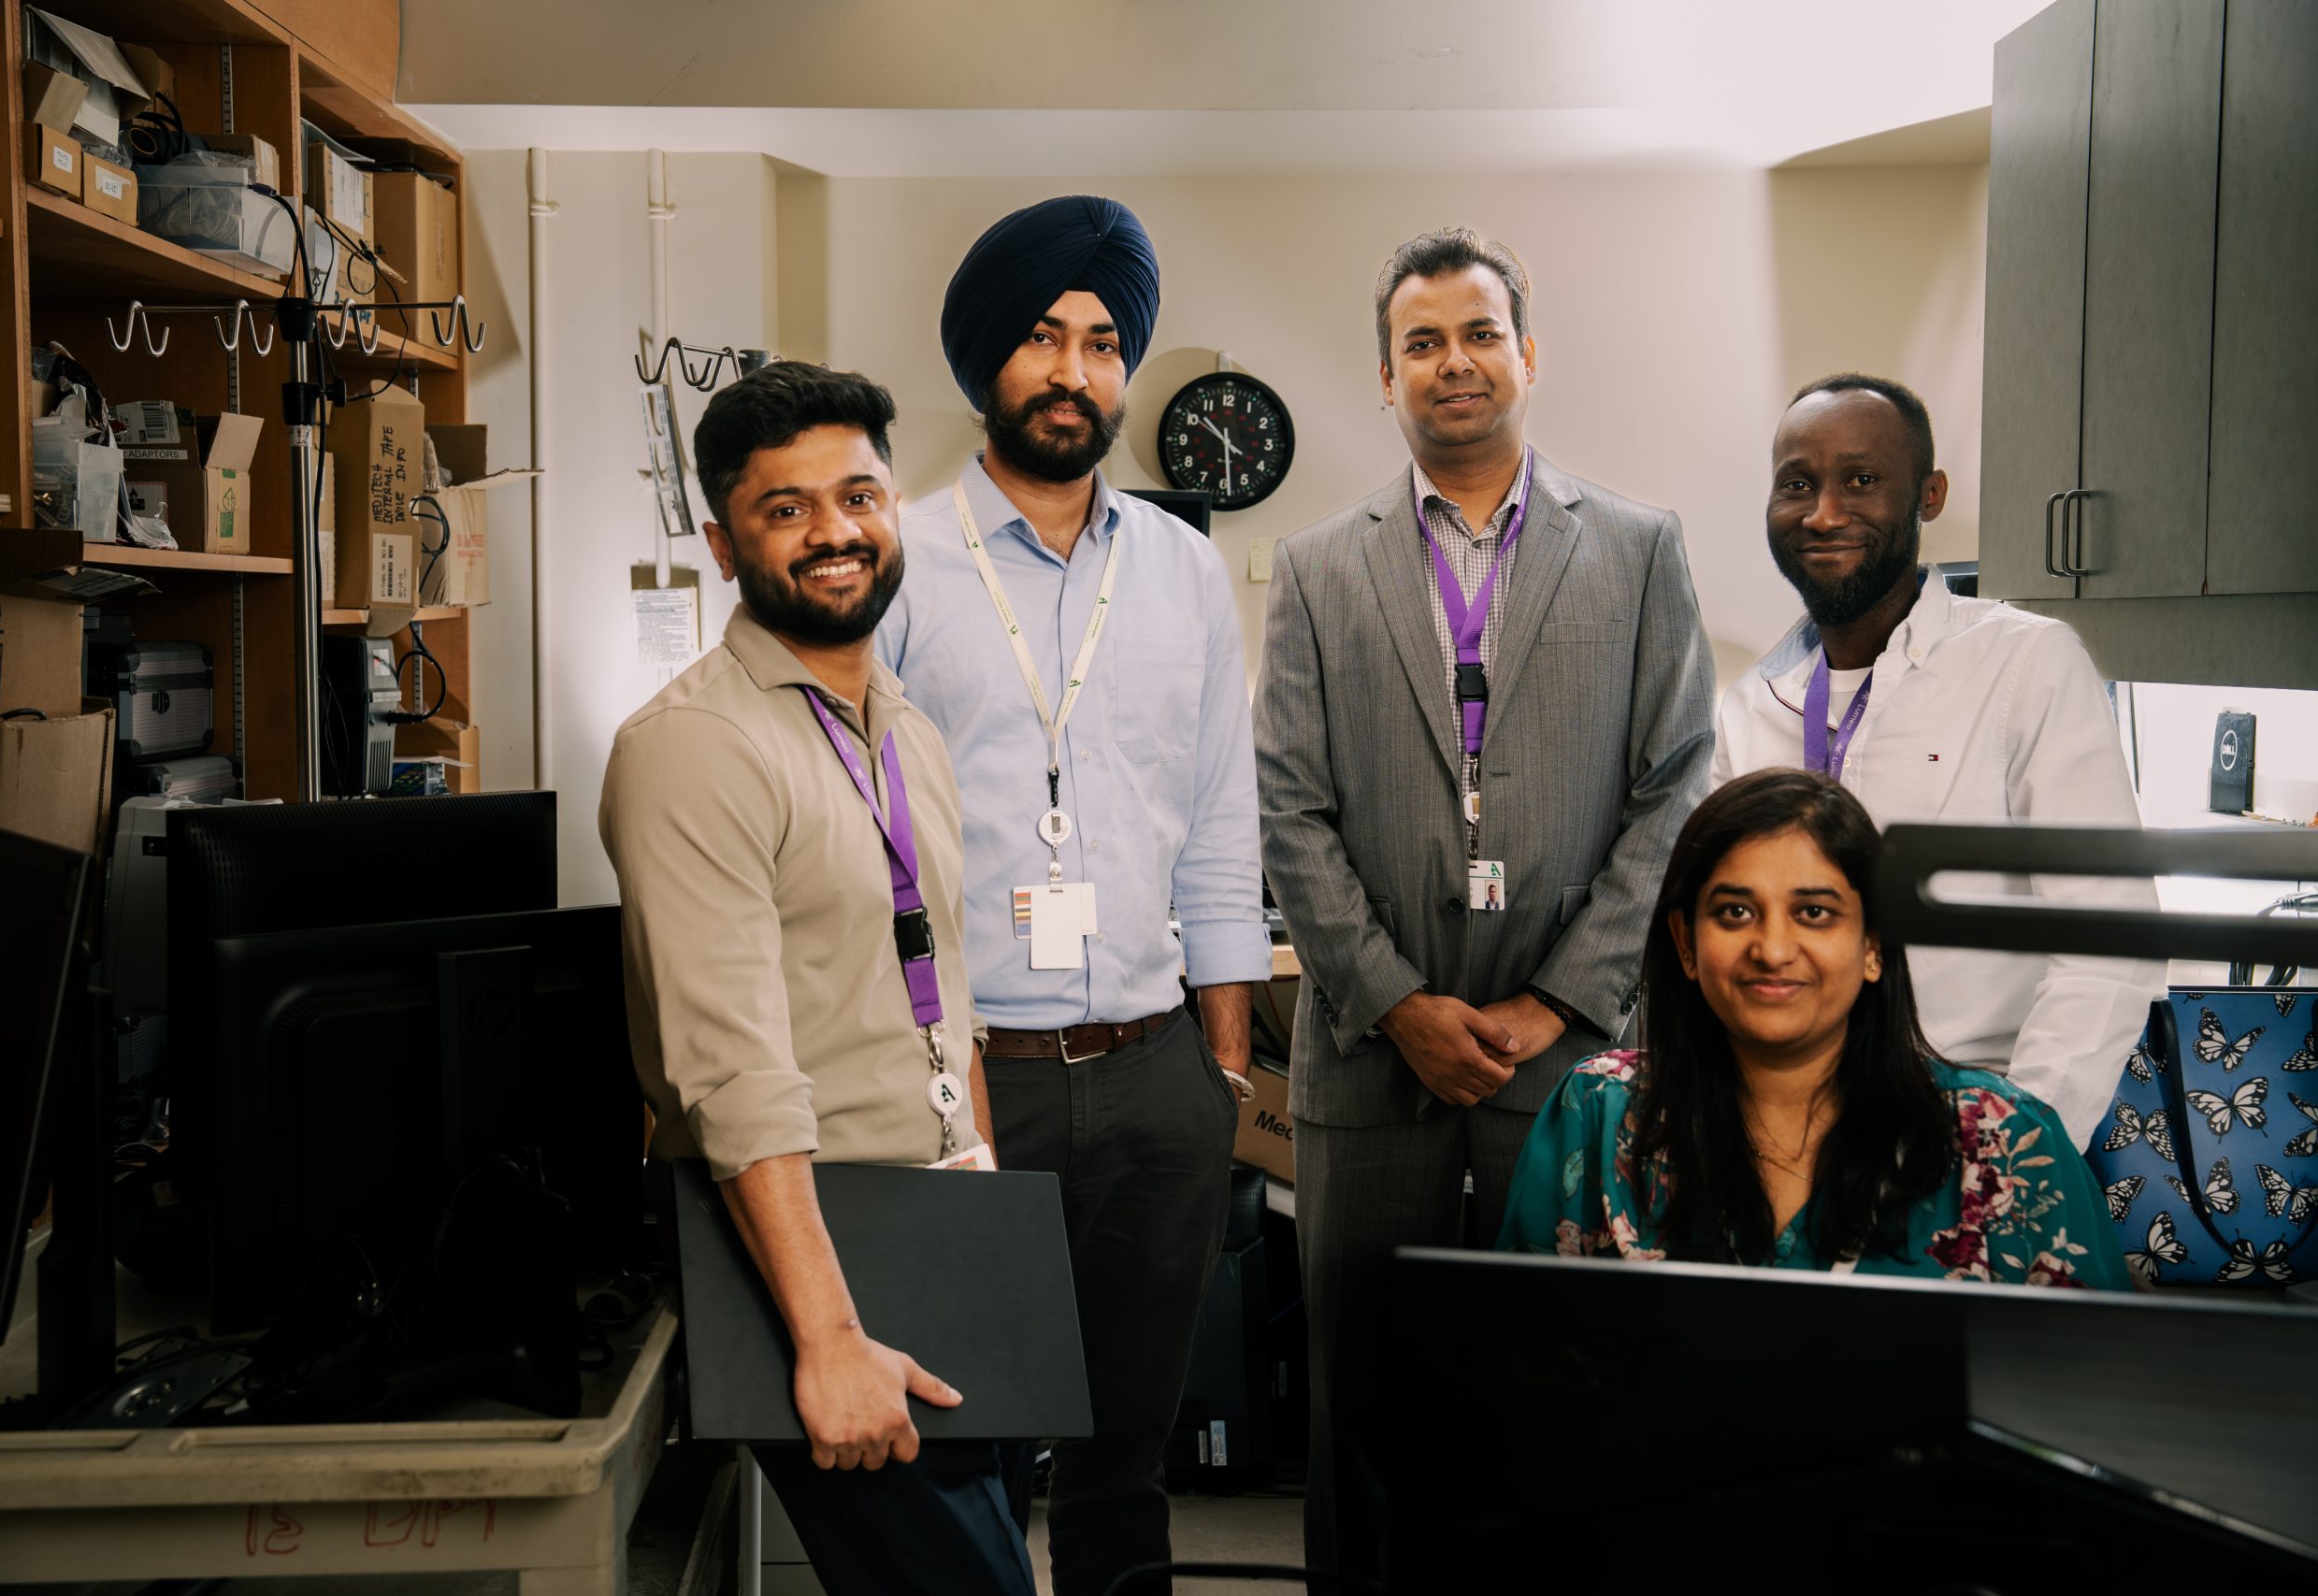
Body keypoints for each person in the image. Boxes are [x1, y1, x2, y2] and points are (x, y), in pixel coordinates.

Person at [1254, 225, 1716, 1579]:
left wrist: (1553, 999)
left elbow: (1676, 790)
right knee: (1363, 1398)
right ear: (1384, 374)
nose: (1453, 362)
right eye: (1422, 342)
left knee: (1566, 1392)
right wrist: (1396, 1001)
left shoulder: (1634, 549)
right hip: (1368, 1060)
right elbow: (1289, 805)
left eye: (1478, 333)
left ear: (1528, 352)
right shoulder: (1321, 566)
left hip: (1570, 1059)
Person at [878, 194, 1269, 1596]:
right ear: (990, 356)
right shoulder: (900, 558)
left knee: (1126, 1457)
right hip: (973, 1083)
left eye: (1104, 343)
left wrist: (1222, 1066)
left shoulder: (1180, 565)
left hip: (1160, 1074)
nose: (1074, 370)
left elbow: (1223, 811)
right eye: (1044, 336)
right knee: (963, 1450)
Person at [599, 362, 1031, 1596]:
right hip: (818, 1252)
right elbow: (727, 1071)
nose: (836, 529)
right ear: (725, 545)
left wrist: (982, 1213)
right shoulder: (693, 747)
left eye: (859, 494)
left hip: (939, 1225)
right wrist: (829, 1333)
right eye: (786, 508)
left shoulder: (907, 730)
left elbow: (945, 995)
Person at [1711, 374, 2166, 1147]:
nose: (1823, 513)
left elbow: (2110, 940)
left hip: (1967, 1119)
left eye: (1861, 480)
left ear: (1930, 495)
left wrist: (2014, 1149)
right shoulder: (1751, 703)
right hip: (1786, 1131)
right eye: (1797, 483)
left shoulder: (2025, 664)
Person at [1500, 768, 2132, 1290]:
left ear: (1874, 945)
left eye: (1814, 912)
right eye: (1736, 911)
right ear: (1686, 944)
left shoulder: (2007, 1140)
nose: (1773, 948)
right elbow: (1521, 1371)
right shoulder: (1598, 1113)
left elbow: (2100, 1399)